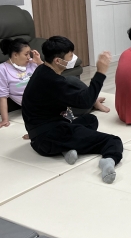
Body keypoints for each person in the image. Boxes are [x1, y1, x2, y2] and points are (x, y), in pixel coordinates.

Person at [22, 36, 123, 184]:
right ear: (58, 60)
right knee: (113, 141)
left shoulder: (42, 71)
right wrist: (100, 72)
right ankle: (108, 161)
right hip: (49, 138)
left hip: (40, 136)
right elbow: (86, 101)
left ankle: (66, 149)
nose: (73, 58)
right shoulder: (55, 82)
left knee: (91, 120)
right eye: (70, 56)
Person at [0, 38, 110, 137]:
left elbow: (51, 74)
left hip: (51, 96)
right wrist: (5, 120)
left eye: (29, 54)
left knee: (71, 80)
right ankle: (92, 100)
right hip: (41, 105)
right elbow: (2, 96)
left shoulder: (32, 64)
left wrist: (38, 62)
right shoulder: (2, 70)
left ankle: (93, 100)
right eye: (26, 54)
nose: (28, 57)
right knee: (84, 107)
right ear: (15, 55)